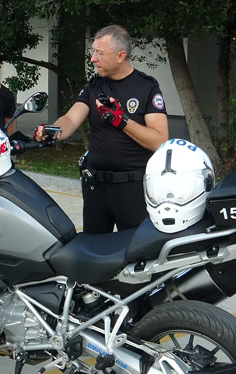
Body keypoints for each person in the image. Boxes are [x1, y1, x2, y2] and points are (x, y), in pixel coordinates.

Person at [35, 25, 168, 234]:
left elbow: (159, 140)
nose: (93, 59)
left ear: (120, 55)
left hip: (132, 189)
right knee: (93, 253)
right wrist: (54, 130)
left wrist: (122, 121)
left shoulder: (146, 88)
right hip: (96, 188)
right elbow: (71, 117)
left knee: (134, 253)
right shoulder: (95, 86)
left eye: (99, 53)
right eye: (93, 52)